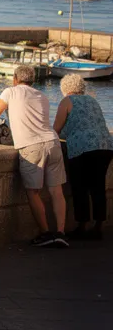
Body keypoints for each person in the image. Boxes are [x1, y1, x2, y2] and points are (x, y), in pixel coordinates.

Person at [0, 64, 67, 247]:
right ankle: (60, 233)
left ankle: (45, 234)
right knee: (56, 192)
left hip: (31, 146)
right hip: (53, 142)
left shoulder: (10, 92)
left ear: (15, 79)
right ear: (32, 80)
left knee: (33, 192)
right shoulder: (42, 96)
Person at [54, 75, 112, 240]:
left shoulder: (67, 101)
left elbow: (56, 128)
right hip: (105, 146)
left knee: (80, 186)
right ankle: (99, 225)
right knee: (98, 186)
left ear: (64, 88)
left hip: (83, 147)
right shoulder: (92, 100)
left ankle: (82, 225)